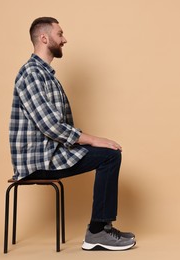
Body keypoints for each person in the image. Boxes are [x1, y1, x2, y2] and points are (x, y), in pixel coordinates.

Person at [9, 17, 136, 251]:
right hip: (38, 161)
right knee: (109, 155)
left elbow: (56, 127)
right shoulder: (32, 74)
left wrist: (94, 142)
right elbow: (51, 126)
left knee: (110, 152)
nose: (64, 39)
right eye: (60, 34)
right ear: (44, 38)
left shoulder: (46, 75)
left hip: (52, 153)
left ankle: (101, 228)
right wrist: (96, 139)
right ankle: (98, 232)